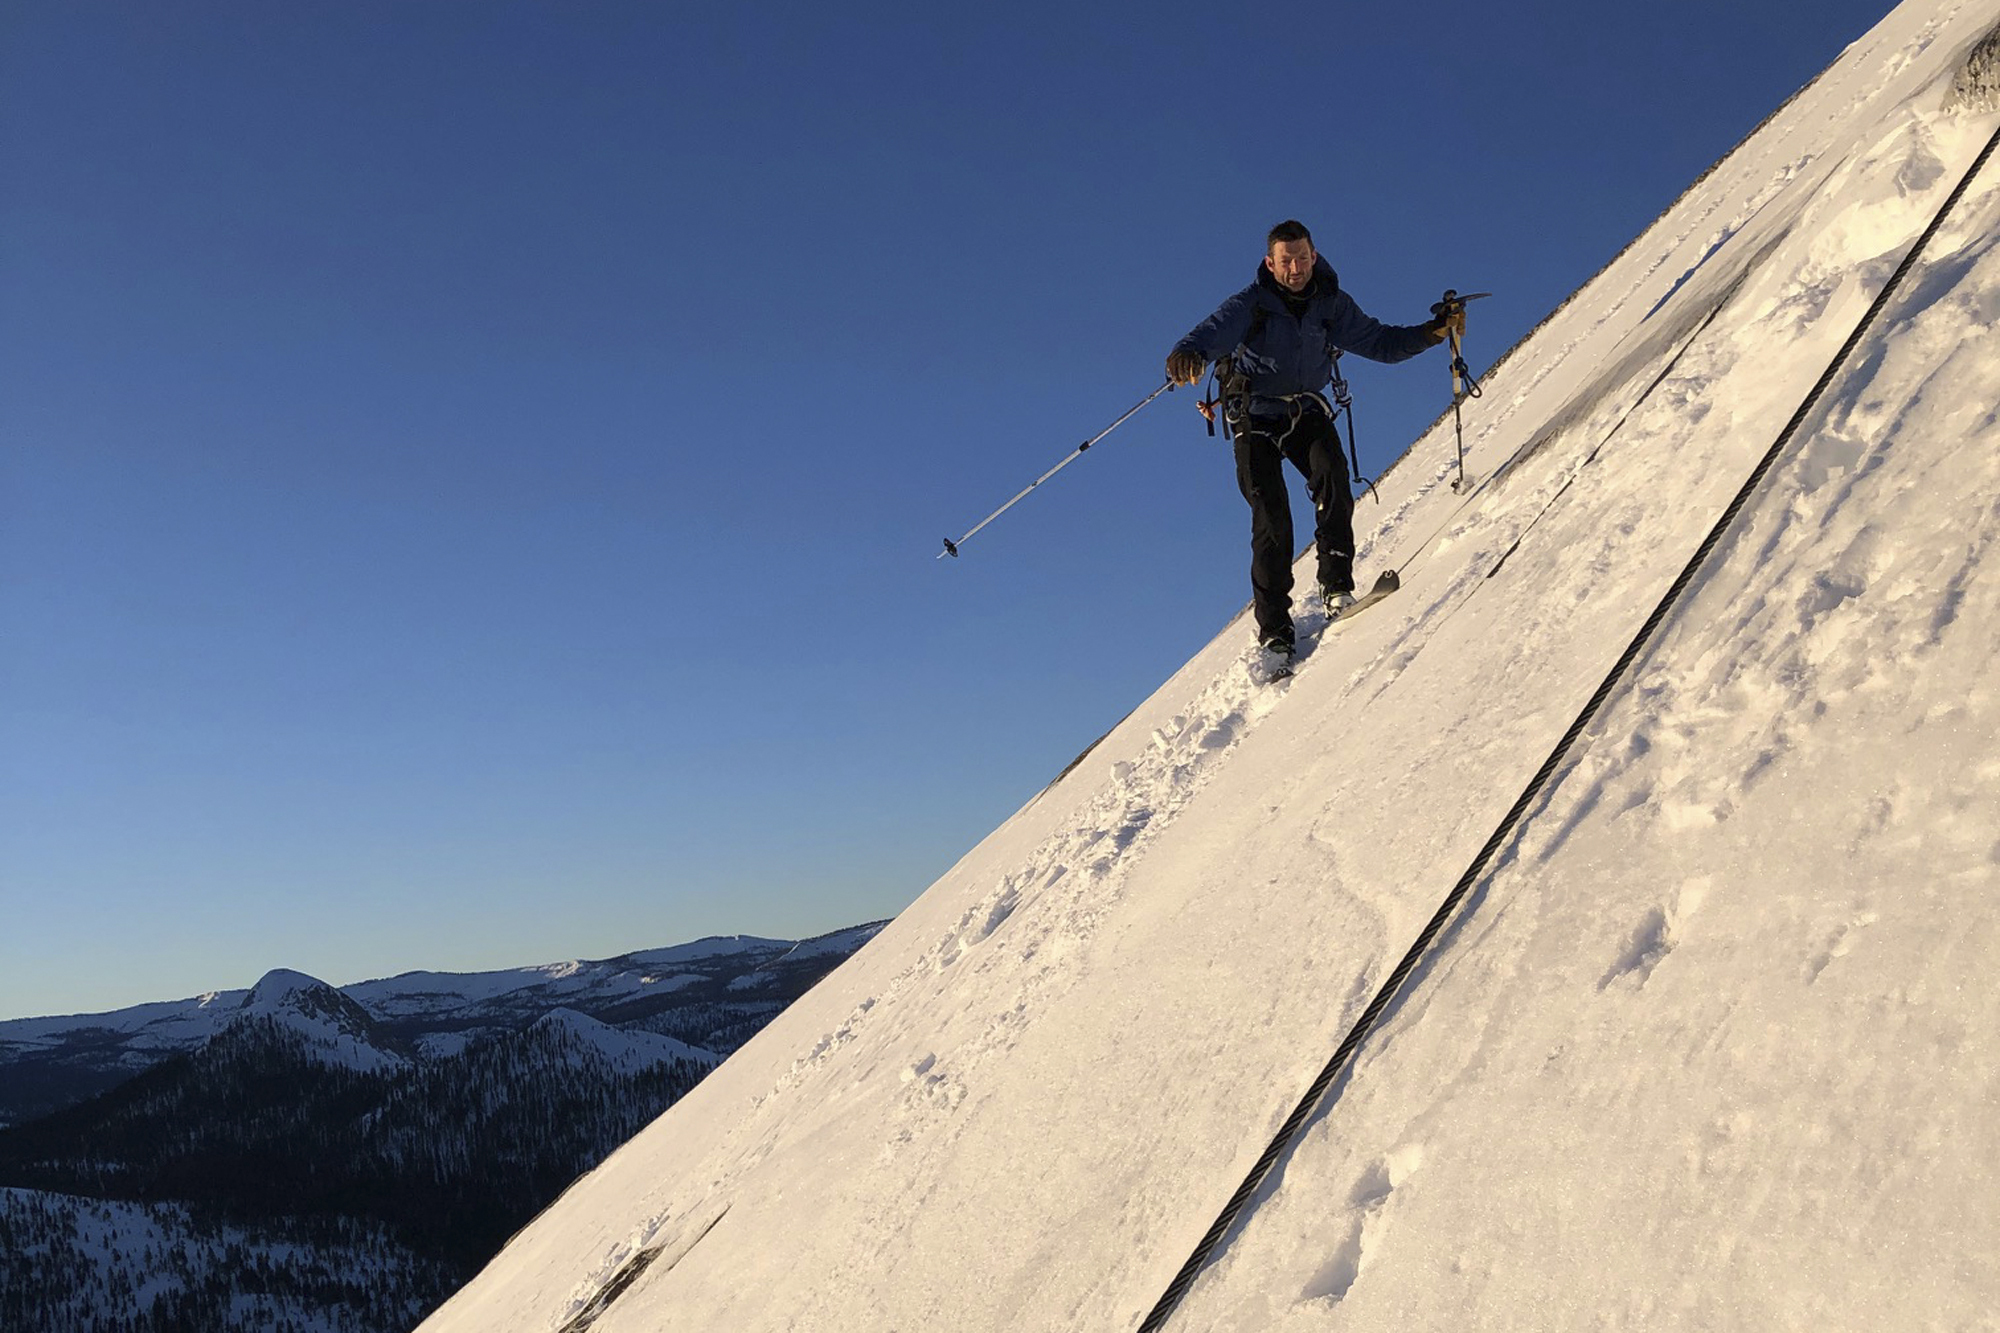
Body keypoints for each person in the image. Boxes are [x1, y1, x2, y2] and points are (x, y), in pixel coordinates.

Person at [1166, 219, 1459, 664]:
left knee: (1334, 480)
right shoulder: (1252, 304)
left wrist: (1431, 333)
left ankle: (1337, 586)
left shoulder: (1331, 305)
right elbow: (1207, 335)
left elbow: (1380, 342)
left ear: (1314, 256)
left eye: (1302, 258)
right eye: (1286, 261)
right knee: (1271, 516)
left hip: (1304, 409)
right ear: (1271, 263)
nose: (1296, 268)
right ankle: (1276, 632)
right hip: (1254, 416)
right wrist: (1185, 355)